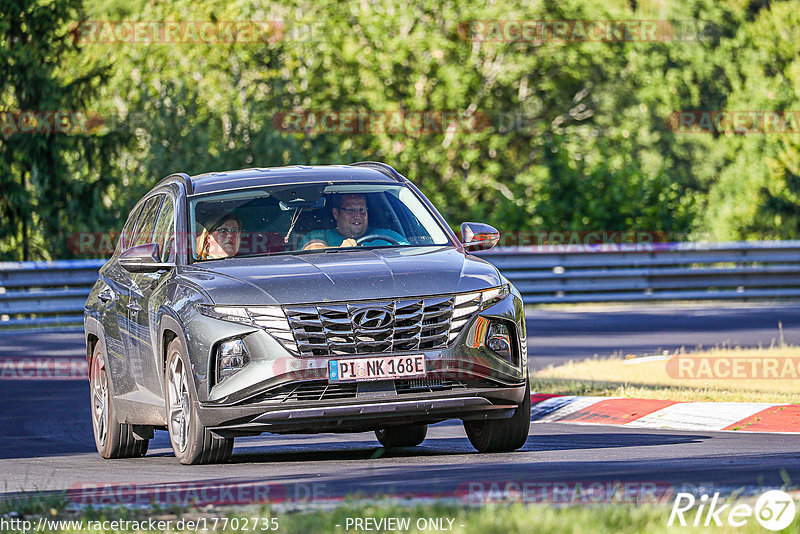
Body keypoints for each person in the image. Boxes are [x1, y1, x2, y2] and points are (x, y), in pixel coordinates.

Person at [298, 194, 407, 250]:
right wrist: (340, 251)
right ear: (336, 213)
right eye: (350, 210)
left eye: (362, 210)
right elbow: (313, 250)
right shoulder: (320, 236)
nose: (357, 215)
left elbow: (411, 254)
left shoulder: (386, 235)